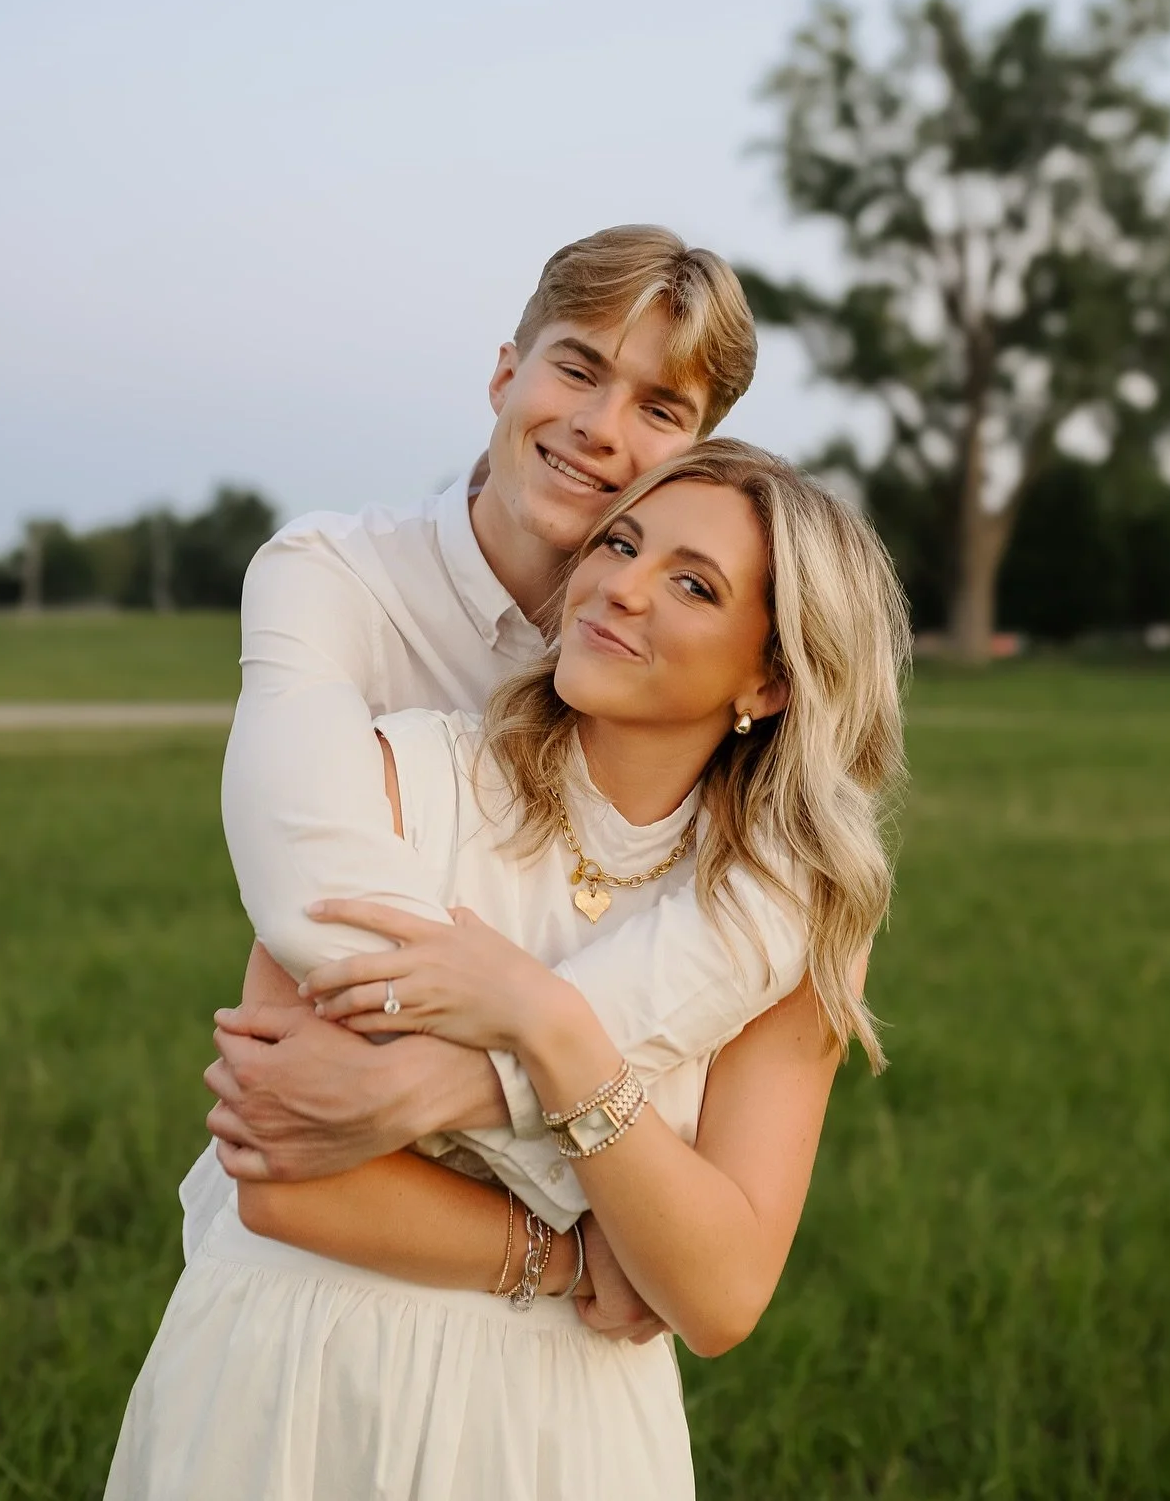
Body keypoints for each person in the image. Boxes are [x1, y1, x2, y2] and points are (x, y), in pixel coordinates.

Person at [105, 441, 908, 1500]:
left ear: (769, 674)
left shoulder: (779, 920)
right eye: (620, 541)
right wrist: (577, 1253)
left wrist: (553, 1028)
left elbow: (719, 1290)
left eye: (693, 583)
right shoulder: (400, 780)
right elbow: (286, 1178)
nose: (620, 585)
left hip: (563, 1424)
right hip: (299, 1371)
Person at [193, 225, 816, 1249]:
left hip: (577, 1249)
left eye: (660, 408)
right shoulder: (331, 577)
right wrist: (573, 1153)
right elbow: (319, 889)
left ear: (697, 452)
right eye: (577, 366)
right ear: (504, 372)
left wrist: (446, 1081)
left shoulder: (687, 666)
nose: (600, 427)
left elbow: (778, 907)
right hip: (341, 1198)